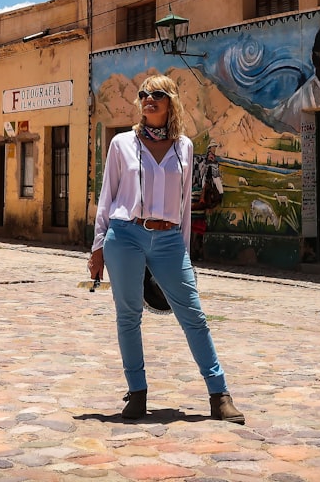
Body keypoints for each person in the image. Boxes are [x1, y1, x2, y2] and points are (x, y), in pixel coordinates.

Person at [88, 74, 245, 424]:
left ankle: (219, 395)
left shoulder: (185, 147)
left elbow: (186, 205)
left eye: (157, 94)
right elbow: (107, 196)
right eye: (144, 94)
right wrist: (98, 246)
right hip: (125, 234)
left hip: (170, 238)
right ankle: (137, 393)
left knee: (194, 316)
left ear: (171, 101)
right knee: (129, 316)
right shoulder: (121, 144)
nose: (149, 99)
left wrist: (185, 252)